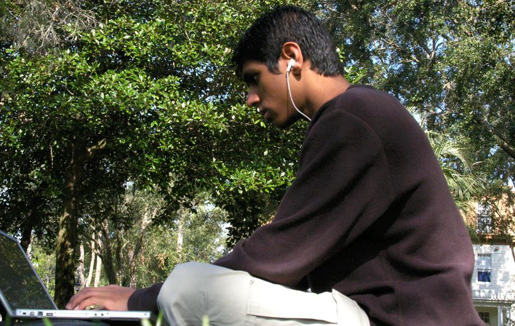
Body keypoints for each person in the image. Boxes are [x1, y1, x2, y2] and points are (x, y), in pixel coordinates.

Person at [67, 6, 483, 326]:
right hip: (383, 313)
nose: (251, 98)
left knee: (187, 288)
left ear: (291, 58)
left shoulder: (353, 118)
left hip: (403, 319)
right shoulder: (356, 115)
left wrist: (141, 298)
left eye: (253, 78)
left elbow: (277, 256)